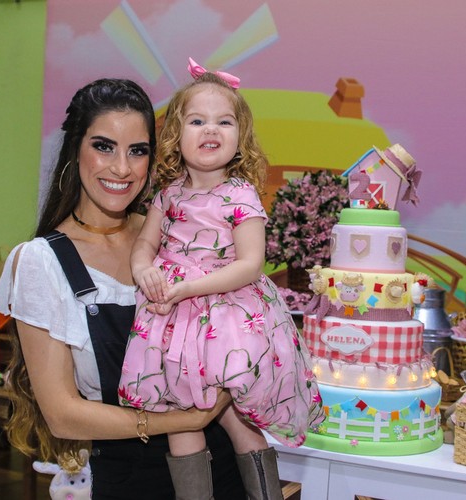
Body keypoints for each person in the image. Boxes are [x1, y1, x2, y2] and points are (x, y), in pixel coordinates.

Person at [0, 78, 246, 499]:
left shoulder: (173, 234)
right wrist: (186, 420)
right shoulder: (40, 262)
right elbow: (63, 415)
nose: (122, 168)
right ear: (75, 150)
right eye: (104, 147)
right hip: (133, 484)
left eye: (138, 150)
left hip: (226, 469)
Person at [118, 59, 324, 500]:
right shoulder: (168, 194)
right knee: (179, 416)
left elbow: (250, 264)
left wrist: (188, 288)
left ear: (240, 136)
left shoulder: (240, 194)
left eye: (224, 121)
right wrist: (143, 269)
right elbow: (145, 244)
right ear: (175, 135)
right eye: (197, 121)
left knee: (240, 418)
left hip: (227, 318)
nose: (211, 129)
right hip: (172, 322)